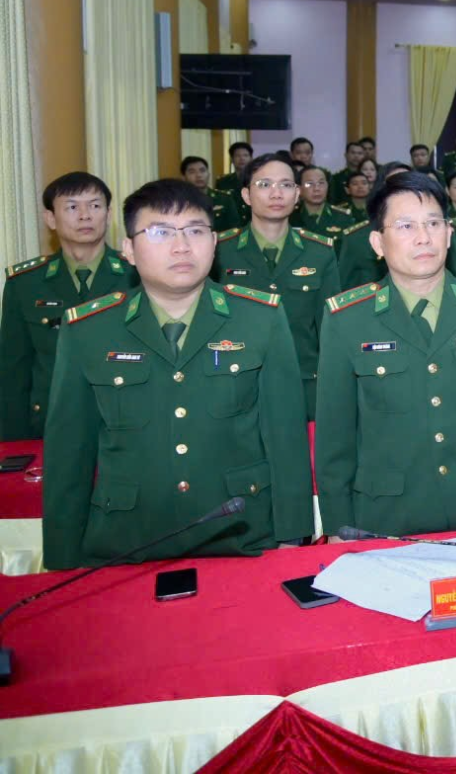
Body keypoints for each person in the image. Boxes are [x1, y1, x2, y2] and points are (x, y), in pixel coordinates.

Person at [43, 179, 312, 569]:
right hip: (126, 541)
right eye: (160, 232)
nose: (182, 246)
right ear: (129, 249)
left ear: (214, 243)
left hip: (242, 535)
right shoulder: (89, 329)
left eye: (196, 231)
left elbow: (286, 439)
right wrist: (62, 557)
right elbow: (69, 455)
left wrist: (292, 537)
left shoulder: (259, 318)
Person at [317, 171, 456, 540]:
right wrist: (339, 525)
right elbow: (334, 437)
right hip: (384, 518)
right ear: (377, 242)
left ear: (449, 234)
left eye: (433, 223)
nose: (423, 237)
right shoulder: (347, 319)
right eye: (405, 226)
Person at [1, 172, 139, 440]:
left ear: (108, 214)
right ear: (51, 218)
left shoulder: (136, 274)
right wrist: (14, 444)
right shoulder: (26, 283)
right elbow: (13, 373)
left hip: (126, 425)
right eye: (72, 207)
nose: (85, 216)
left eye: (95, 205)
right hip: (50, 426)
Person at [213, 153, 343, 420]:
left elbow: (331, 330)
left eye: (285, 185)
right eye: (264, 185)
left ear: (296, 195)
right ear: (246, 195)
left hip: (303, 384)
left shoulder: (319, 252)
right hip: (234, 384)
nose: (276, 193)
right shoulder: (220, 251)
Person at [291, 164, 357, 243]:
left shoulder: (343, 217)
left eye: (321, 183)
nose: (316, 188)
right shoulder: (290, 218)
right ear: (299, 189)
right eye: (309, 184)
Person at [183, 155, 242, 232]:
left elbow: (235, 229)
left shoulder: (224, 199)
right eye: (192, 172)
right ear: (184, 177)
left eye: (202, 171)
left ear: (208, 174)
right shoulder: (179, 201)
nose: (198, 175)